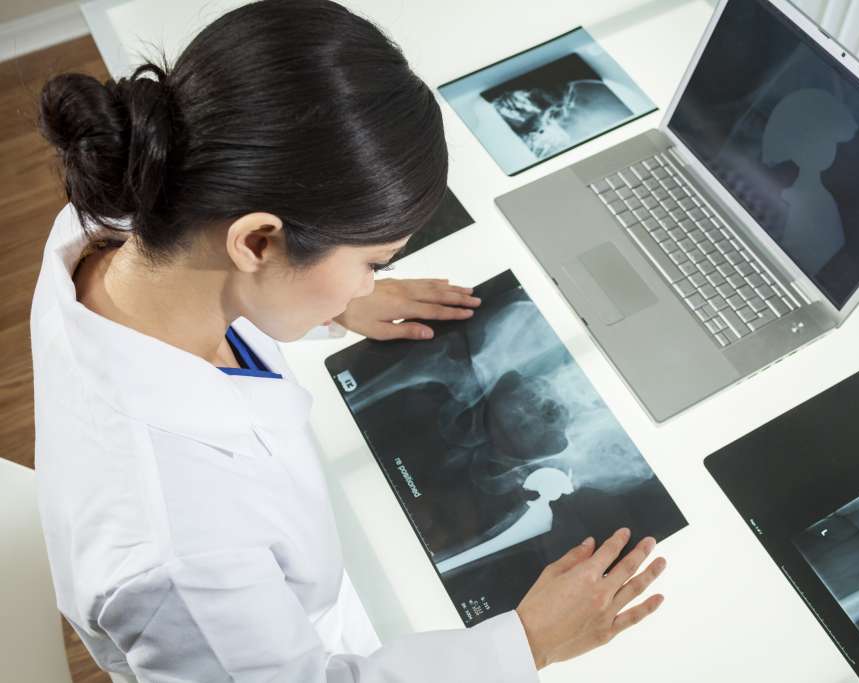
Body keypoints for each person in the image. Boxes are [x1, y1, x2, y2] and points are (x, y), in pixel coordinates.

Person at [30, 1, 668, 681]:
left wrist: (332, 302)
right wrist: (525, 642)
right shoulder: (183, 553)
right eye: (372, 262)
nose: (370, 285)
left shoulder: (127, 217)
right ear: (258, 242)